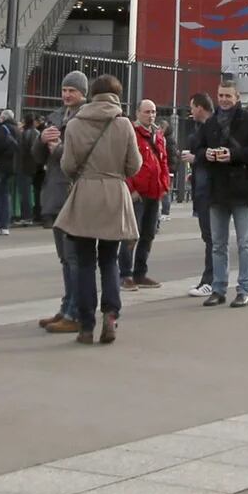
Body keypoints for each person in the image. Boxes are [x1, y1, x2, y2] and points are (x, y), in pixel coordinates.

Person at [53, 73, 143, 344]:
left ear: (91, 93)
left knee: (82, 263)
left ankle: (85, 324)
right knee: (109, 259)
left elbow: (67, 165)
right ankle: (111, 314)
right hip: (114, 195)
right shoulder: (124, 124)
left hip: (85, 195)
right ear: (117, 95)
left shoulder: (76, 123)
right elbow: (134, 166)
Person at [198, 77, 248, 307]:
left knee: (245, 242)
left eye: (228, 96)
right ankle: (218, 289)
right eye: (221, 96)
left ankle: (245, 289)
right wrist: (205, 153)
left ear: (237, 98)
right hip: (217, 190)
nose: (224, 100)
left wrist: (234, 155)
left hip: (241, 189)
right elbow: (197, 148)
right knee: (218, 243)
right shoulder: (211, 122)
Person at [32, 72, 90, 333]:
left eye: (72, 91)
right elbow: (35, 157)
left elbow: (80, 157)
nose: (67, 95)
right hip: (56, 192)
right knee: (65, 258)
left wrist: (56, 148)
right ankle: (67, 306)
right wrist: (40, 139)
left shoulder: (86, 118)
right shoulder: (56, 117)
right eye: (65, 90)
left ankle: (75, 312)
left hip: (74, 192)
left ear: (83, 93)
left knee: (73, 257)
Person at [118, 98, 170, 289]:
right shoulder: (130, 133)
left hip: (154, 193)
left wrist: (164, 185)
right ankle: (125, 274)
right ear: (138, 113)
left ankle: (140, 273)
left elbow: (163, 162)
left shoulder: (158, 135)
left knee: (148, 235)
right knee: (131, 235)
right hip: (137, 194)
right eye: (147, 112)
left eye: (154, 112)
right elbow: (122, 163)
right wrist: (131, 189)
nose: (151, 115)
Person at [183, 93, 218, 297]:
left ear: (199, 107)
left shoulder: (213, 128)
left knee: (212, 237)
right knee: (211, 237)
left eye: (192, 107)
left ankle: (210, 280)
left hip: (210, 191)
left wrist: (195, 158)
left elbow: (216, 154)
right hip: (203, 188)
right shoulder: (202, 128)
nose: (191, 111)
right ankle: (211, 279)